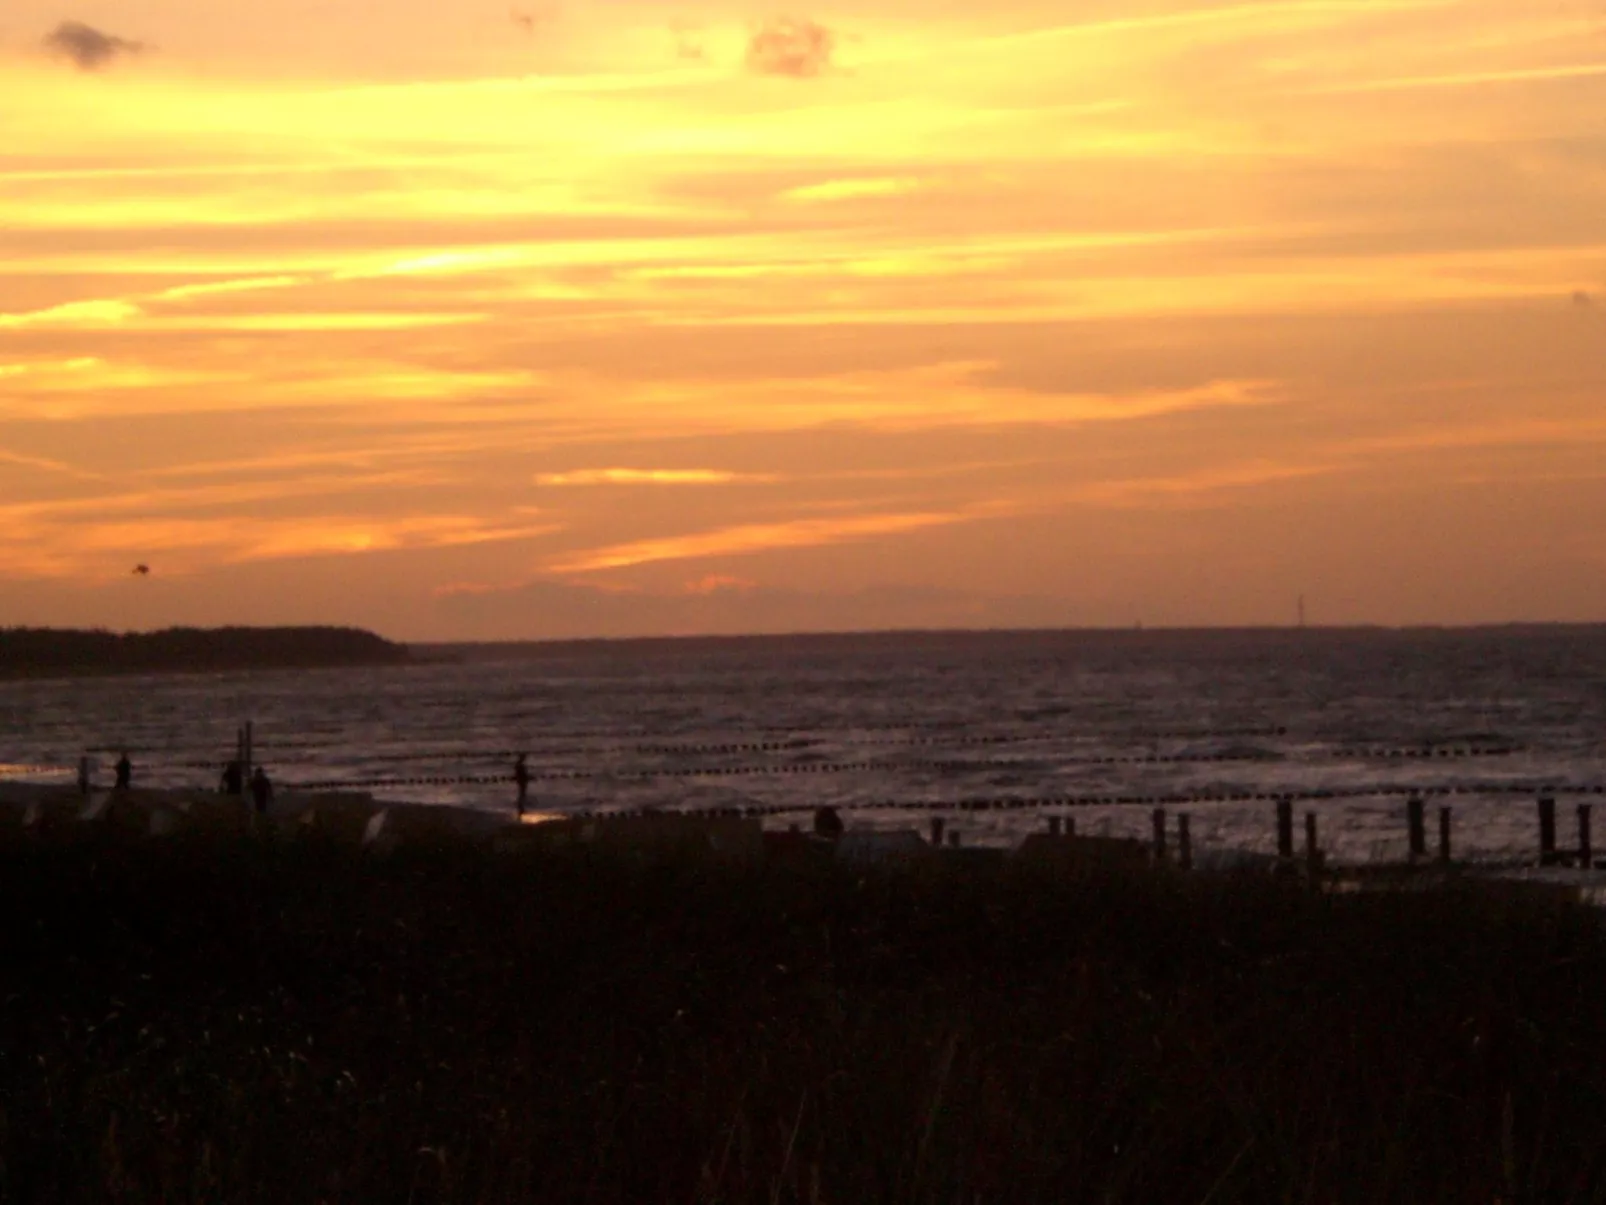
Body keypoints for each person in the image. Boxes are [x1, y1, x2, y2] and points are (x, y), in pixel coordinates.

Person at [513, 753, 531, 818]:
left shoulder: (518, 765)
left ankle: (521, 804)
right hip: (522, 780)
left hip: (522, 780)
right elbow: (520, 773)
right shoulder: (519, 765)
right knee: (522, 792)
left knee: (522, 792)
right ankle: (520, 804)